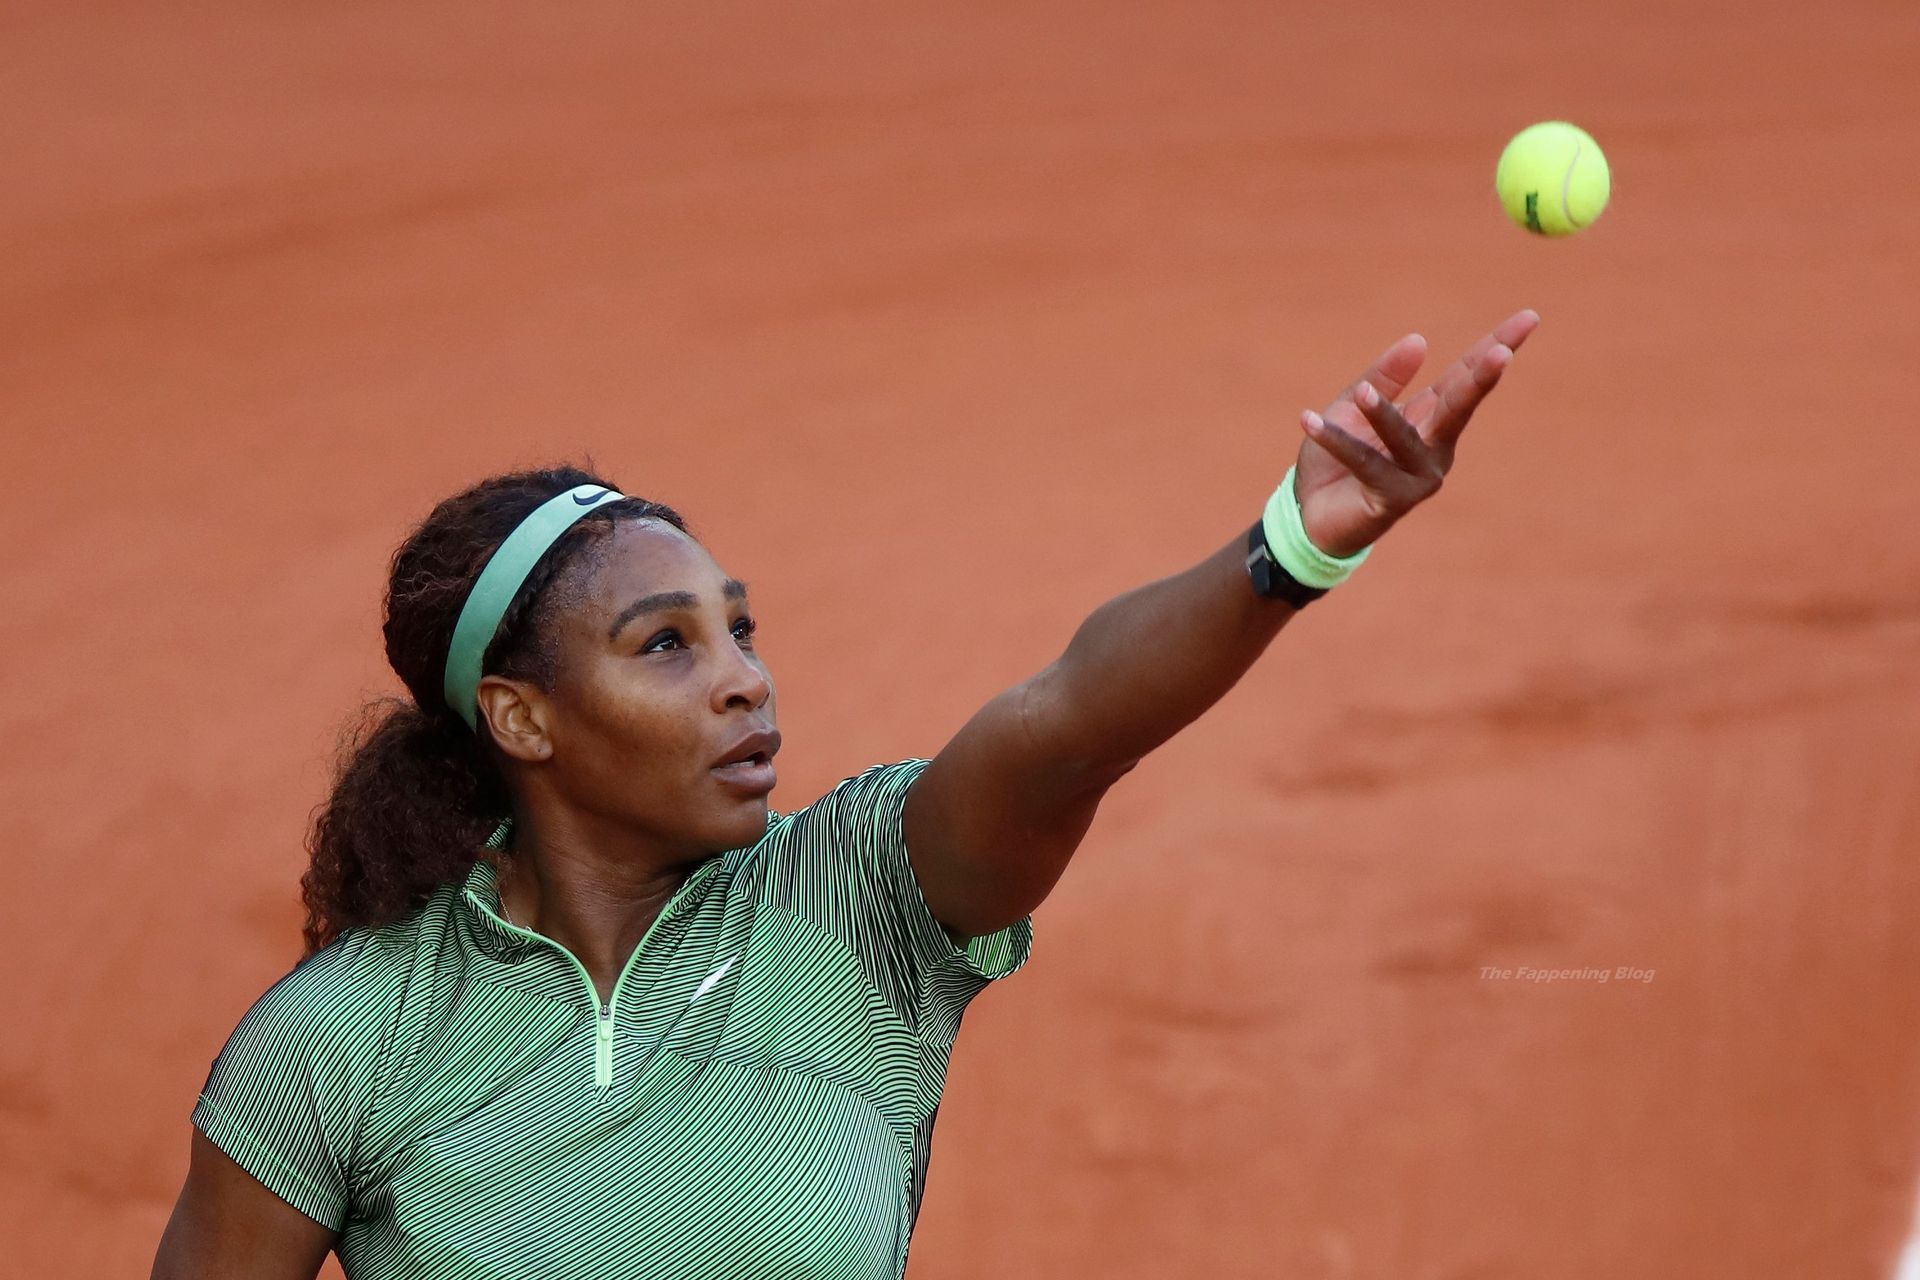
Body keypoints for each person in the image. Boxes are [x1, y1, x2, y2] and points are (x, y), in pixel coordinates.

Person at [151, 309, 1537, 1279]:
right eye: (667, 647)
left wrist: (1288, 549)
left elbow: (1065, 725)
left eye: (741, 631)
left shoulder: (863, 903)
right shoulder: (341, 1041)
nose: (745, 682)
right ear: (522, 718)